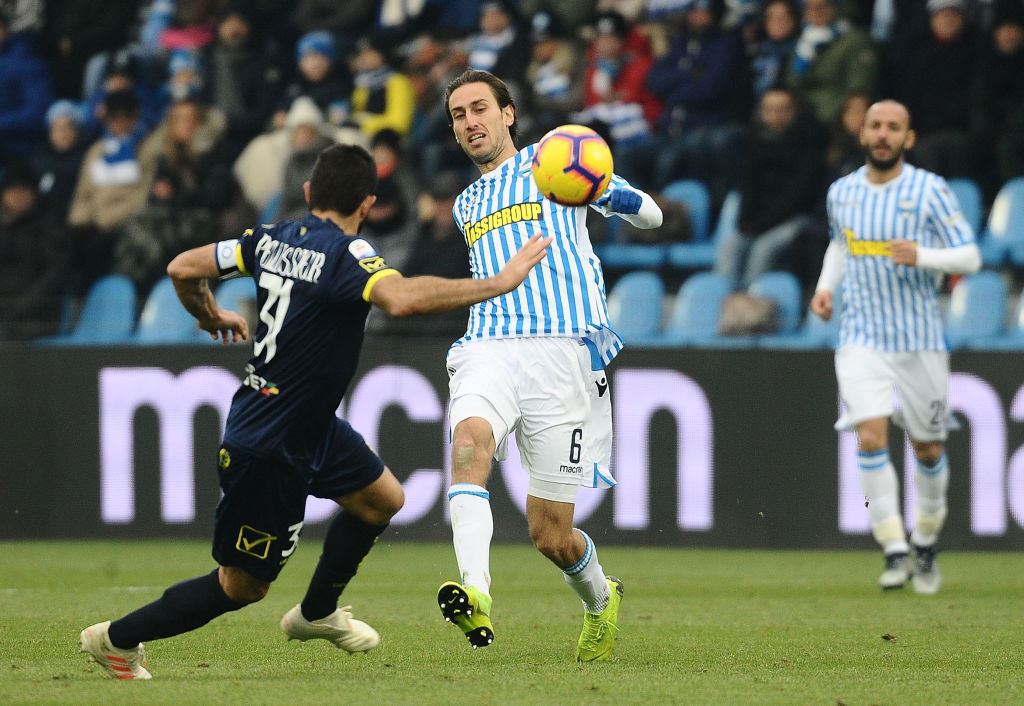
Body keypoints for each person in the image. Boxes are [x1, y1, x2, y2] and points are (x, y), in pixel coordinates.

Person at [78, 142, 551, 680]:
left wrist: (210, 314)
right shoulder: (347, 255)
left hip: (308, 426)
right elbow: (400, 299)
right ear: (368, 203)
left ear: (308, 193)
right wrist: (500, 282)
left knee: (382, 500)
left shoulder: (270, 237)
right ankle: (116, 639)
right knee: (242, 586)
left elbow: (183, 266)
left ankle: (317, 612)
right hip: (269, 444)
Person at [437, 69, 663, 662]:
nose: (470, 123)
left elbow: (652, 218)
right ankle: (476, 593)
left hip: (564, 354)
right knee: (468, 443)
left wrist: (609, 190)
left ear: (508, 114)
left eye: (479, 108)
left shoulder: (555, 159)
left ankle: (599, 599)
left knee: (551, 534)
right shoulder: (466, 204)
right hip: (488, 344)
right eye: (459, 115)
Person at [810, 100, 980, 595]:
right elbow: (840, 244)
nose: (883, 134)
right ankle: (893, 546)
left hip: (920, 340)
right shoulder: (841, 192)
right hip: (860, 335)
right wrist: (825, 287)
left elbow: (970, 255)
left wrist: (923, 255)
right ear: (863, 134)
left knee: (927, 447)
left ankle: (925, 538)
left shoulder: (929, 190)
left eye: (894, 128)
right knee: (870, 435)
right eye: (876, 126)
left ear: (909, 137)